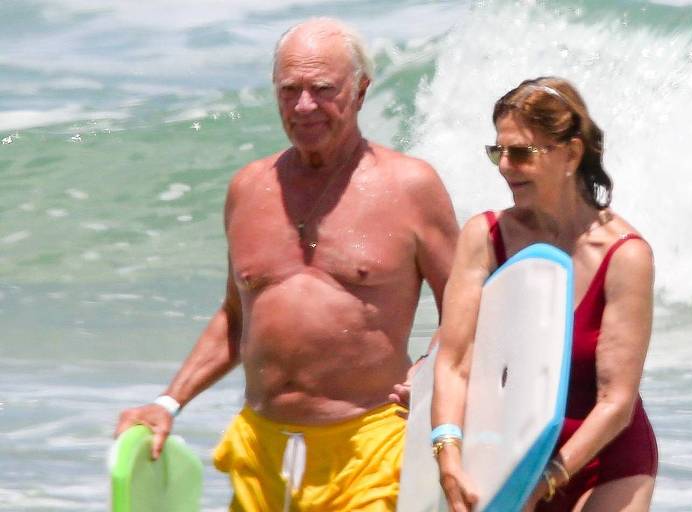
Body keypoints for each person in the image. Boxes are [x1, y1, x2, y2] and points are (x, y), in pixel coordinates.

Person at [114, 18, 458, 512]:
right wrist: (169, 402)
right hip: (261, 446)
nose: (304, 106)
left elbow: (465, 308)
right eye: (289, 89)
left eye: (322, 89)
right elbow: (238, 316)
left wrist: (429, 369)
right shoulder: (249, 189)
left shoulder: (410, 187)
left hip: (368, 444)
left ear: (360, 91)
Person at [431, 76, 657, 512]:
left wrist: (547, 479)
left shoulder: (624, 256)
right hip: (507, 454)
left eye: (520, 153)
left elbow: (617, 403)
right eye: (498, 152)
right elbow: (454, 361)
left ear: (571, 153)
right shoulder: (485, 237)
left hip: (604, 458)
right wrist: (448, 451)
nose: (504, 166)